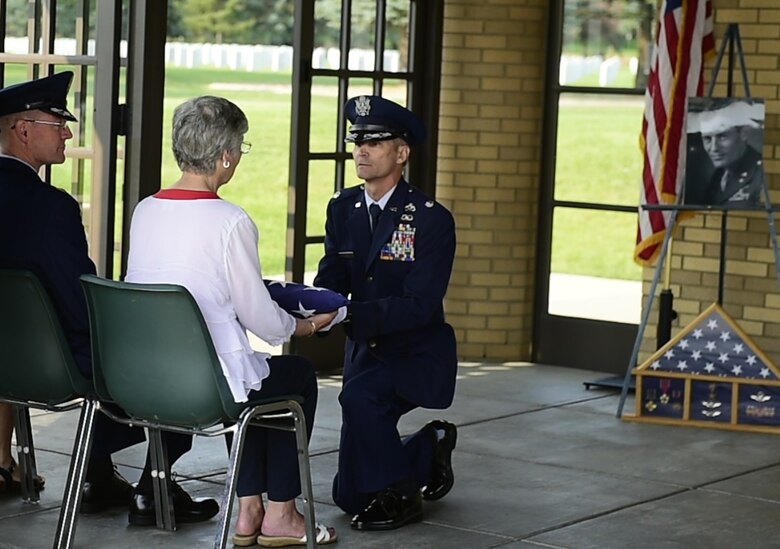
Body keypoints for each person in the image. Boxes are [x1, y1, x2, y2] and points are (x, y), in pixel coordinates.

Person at [0, 72, 218, 526]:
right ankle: (154, 487)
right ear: (23, 130)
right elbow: (79, 302)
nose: (68, 132)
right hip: (53, 366)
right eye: (56, 123)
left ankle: (96, 476)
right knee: (172, 361)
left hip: (9, 362)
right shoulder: (50, 207)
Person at [125, 95, 339, 547]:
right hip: (206, 387)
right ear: (224, 156)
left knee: (252, 375)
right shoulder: (230, 220)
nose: (240, 154)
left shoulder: (144, 210)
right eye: (241, 145)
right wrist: (306, 327)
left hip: (145, 378)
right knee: (291, 376)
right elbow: (260, 317)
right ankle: (279, 513)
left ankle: (248, 510)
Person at [314, 95, 459, 531]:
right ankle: (429, 447)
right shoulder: (343, 208)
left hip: (414, 353)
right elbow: (332, 276)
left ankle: (402, 493)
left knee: (359, 398)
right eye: (356, 139)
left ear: (402, 152)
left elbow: (420, 305)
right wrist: (315, 305)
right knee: (349, 495)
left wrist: (346, 316)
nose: (361, 149)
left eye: (375, 141)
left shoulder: (432, 220)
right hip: (365, 357)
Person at [694, 100, 765, 207]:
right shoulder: (719, 176)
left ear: (743, 134)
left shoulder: (761, 174)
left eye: (722, 137)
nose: (714, 148)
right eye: (707, 139)